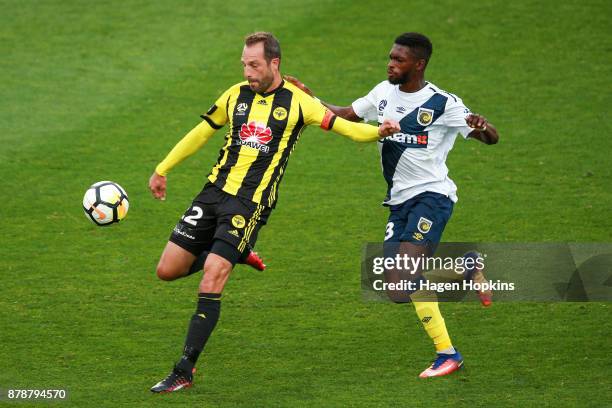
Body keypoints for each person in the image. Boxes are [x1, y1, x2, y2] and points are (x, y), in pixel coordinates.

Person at [147, 32, 400, 393]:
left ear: (274, 64)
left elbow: (347, 129)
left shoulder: (299, 103)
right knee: (167, 270)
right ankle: (236, 251)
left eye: (254, 65)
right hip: (212, 194)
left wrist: (379, 131)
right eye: (244, 64)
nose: (248, 71)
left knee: (212, 278)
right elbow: (201, 132)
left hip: (250, 203)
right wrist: (163, 168)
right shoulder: (234, 95)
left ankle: (184, 369)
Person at [285, 32, 499, 378]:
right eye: (390, 57)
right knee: (397, 288)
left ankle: (448, 353)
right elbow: (347, 115)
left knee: (409, 273)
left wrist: (483, 125)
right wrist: (311, 99)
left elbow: (490, 138)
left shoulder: (443, 103)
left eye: (398, 60)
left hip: (432, 197)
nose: (390, 63)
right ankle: (464, 266)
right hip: (398, 203)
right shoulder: (383, 93)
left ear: (419, 64)